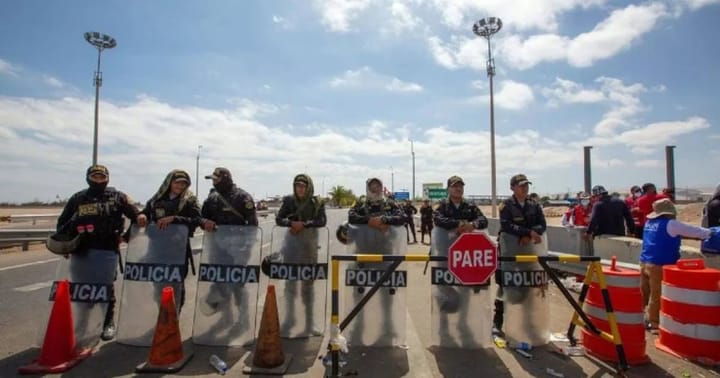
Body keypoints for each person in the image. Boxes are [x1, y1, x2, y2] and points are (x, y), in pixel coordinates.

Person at [55, 164, 140, 341]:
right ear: (88, 178)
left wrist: (127, 236)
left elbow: (138, 217)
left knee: (105, 287)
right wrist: (65, 245)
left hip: (107, 249)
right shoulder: (78, 198)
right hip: (81, 249)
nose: (99, 180)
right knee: (81, 288)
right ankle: (82, 323)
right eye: (95, 177)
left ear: (107, 178)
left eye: (102, 177)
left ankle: (108, 322)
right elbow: (63, 222)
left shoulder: (119, 197)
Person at [347, 177, 406, 344]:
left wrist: (384, 220)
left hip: (384, 254)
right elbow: (351, 217)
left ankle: (388, 327)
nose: (375, 188)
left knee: (386, 293)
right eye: (372, 186)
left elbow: (402, 217)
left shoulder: (390, 203)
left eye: (377, 185)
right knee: (358, 293)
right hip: (363, 254)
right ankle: (358, 327)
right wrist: (369, 221)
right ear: (367, 187)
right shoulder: (360, 203)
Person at [640, 198, 713, 330]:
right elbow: (694, 231)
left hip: (645, 261)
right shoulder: (671, 224)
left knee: (644, 293)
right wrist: (711, 233)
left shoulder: (649, 223)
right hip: (659, 264)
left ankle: (636, 317)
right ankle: (654, 323)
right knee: (657, 295)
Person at [432, 175, 489, 343]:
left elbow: (483, 220)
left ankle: (463, 323)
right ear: (448, 188)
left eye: (460, 186)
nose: (458, 189)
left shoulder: (470, 206)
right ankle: (443, 325)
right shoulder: (442, 205)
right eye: (455, 186)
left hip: (465, 255)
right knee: (444, 289)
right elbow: (438, 219)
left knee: (466, 290)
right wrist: (459, 225)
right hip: (445, 253)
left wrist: (473, 226)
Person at [135, 169, 201, 313]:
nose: (180, 186)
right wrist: (141, 216)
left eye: (184, 184)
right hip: (157, 249)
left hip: (178, 250)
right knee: (159, 284)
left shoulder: (190, 200)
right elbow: (145, 213)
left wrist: (174, 219)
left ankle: (174, 316)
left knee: (176, 286)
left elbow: (197, 220)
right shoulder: (156, 199)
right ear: (169, 182)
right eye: (177, 182)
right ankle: (163, 313)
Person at [198, 167, 258, 322]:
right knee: (219, 280)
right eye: (212, 180)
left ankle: (243, 319)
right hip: (217, 248)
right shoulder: (212, 198)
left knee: (238, 283)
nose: (214, 182)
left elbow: (252, 225)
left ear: (225, 179)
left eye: (216, 179)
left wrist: (246, 248)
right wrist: (205, 222)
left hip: (238, 249)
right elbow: (200, 218)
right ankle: (226, 317)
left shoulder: (242, 197)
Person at [274, 174, 327, 336]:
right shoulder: (289, 201)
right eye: (297, 186)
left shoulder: (317, 202)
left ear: (308, 187)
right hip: (291, 246)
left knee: (307, 286)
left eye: (303, 186)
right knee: (290, 284)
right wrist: (291, 223)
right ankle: (290, 320)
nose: (300, 189)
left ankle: (310, 323)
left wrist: (304, 225)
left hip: (309, 247)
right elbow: (279, 219)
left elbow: (322, 221)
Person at [494, 174, 546, 336]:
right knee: (505, 284)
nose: (525, 188)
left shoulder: (534, 205)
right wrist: (526, 232)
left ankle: (527, 323)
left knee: (528, 287)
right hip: (509, 251)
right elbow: (506, 225)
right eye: (521, 185)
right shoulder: (506, 205)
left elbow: (542, 225)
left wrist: (530, 234)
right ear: (513, 187)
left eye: (526, 185)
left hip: (529, 251)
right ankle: (497, 322)